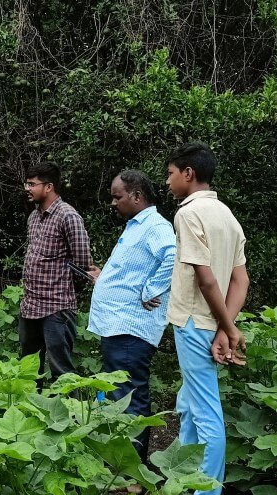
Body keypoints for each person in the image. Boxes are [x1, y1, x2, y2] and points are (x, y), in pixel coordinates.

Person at [153, 141, 249, 495]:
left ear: (188, 174)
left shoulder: (188, 213)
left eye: (170, 173)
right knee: (190, 407)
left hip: (194, 322)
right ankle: (185, 492)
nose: (167, 181)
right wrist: (226, 328)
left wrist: (227, 328)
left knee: (206, 413)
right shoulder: (227, 216)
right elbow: (240, 281)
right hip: (210, 323)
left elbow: (207, 281)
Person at [86, 170, 176, 461]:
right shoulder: (135, 226)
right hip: (117, 327)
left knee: (130, 397)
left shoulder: (154, 225)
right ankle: (113, 459)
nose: (113, 203)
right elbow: (133, 271)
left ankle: (132, 472)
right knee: (113, 391)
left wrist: (152, 290)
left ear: (136, 196)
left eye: (117, 196)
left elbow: (173, 255)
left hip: (131, 330)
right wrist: (106, 278)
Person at [19, 161, 92, 380]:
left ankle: (69, 412)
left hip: (56, 307)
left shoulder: (68, 216)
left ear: (48, 187)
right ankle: (30, 412)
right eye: (27, 183)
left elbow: (83, 267)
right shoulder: (34, 217)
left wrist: (64, 291)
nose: (27, 189)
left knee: (62, 372)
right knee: (29, 370)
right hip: (30, 305)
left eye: (32, 184)